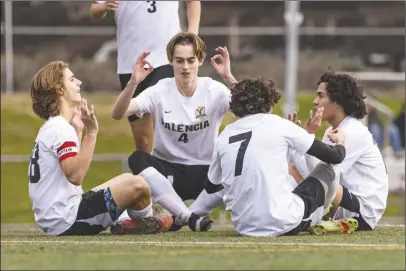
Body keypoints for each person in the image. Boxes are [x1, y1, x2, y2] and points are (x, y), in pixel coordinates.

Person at [204, 77, 358, 237]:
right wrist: (340, 142)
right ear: (270, 102)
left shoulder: (226, 133)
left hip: (244, 227)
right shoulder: (279, 124)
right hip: (284, 223)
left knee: (288, 179)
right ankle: (320, 214)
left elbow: (211, 186)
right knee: (327, 167)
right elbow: (335, 156)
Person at [111, 32, 233, 232]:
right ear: (170, 61)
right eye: (179, 61)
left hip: (206, 173)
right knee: (138, 158)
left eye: (190, 60)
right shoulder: (160, 90)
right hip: (168, 173)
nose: (185, 67)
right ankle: (188, 217)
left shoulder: (215, 90)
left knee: (235, 162)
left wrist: (228, 77)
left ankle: (179, 218)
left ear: (200, 60)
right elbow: (118, 113)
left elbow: (255, 108)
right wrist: (133, 82)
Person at [28, 61, 165, 236]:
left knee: (127, 180)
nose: (79, 83)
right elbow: (75, 175)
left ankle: (133, 222)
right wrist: (91, 132)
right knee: (137, 185)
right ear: (59, 89)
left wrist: (78, 129)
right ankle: (147, 221)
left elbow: (69, 168)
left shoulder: (54, 126)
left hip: (58, 218)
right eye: (71, 79)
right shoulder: (59, 127)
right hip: (66, 219)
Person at [90, 1, 201, 153]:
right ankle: (148, 175)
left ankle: (177, 172)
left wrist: (192, 34)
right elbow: (94, 10)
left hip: (166, 58)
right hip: (131, 64)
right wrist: (103, 7)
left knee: (169, 127)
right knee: (143, 139)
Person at [288, 68, 389, 231]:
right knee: (293, 169)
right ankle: (288, 213)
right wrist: (300, 142)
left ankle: (291, 215)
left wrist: (305, 141)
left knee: (305, 174)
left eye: (320, 96)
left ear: (338, 102)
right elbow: (314, 171)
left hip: (363, 212)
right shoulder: (333, 130)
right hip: (343, 198)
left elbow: (319, 176)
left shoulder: (352, 132)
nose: (315, 101)